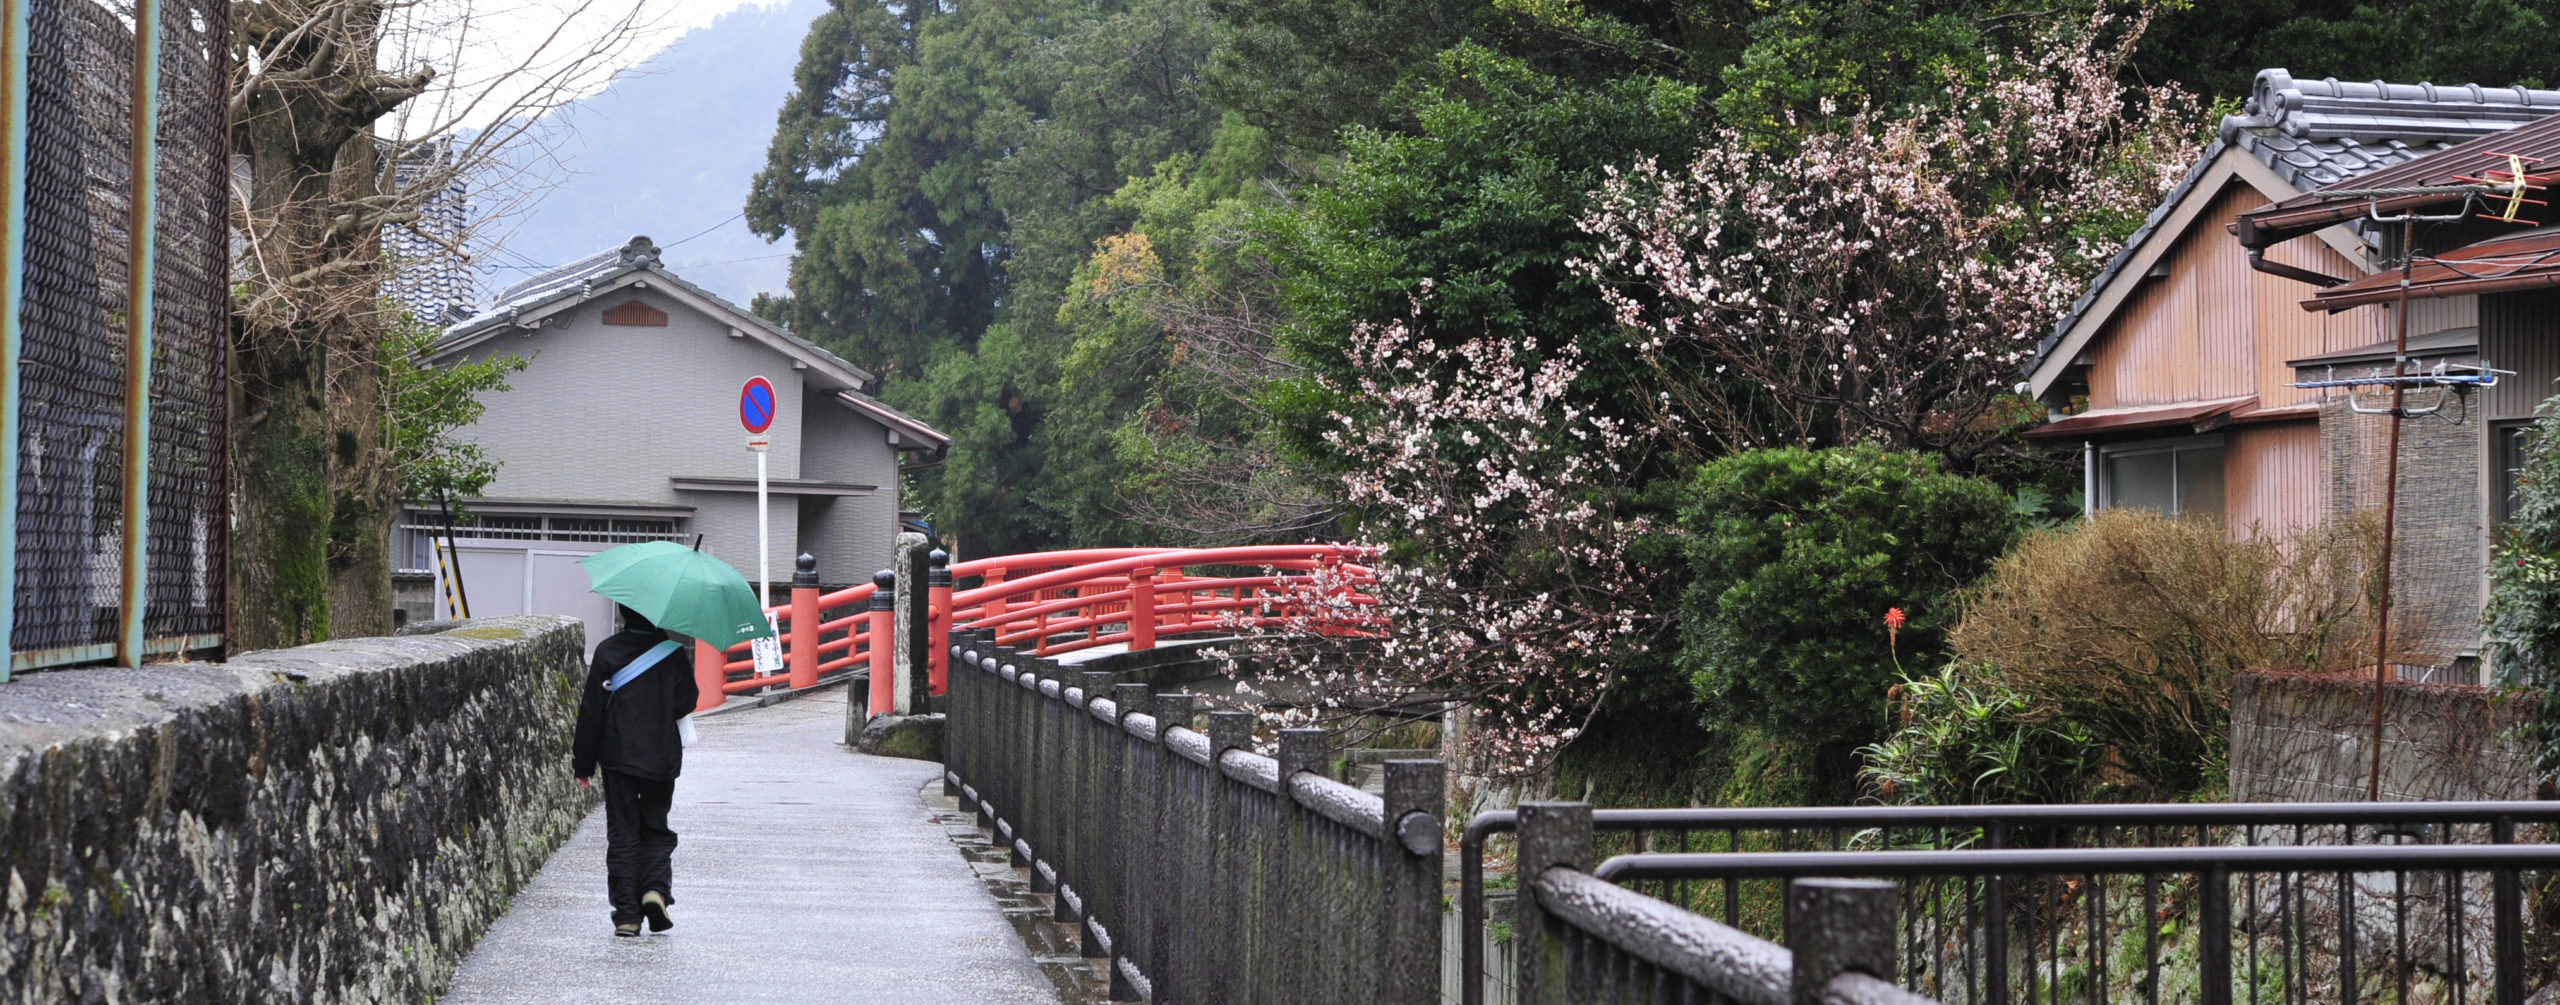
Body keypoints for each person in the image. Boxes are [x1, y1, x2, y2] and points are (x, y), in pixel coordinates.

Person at [572, 604, 701, 937]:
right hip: (661, 757)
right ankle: (654, 891)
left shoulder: (607, 652)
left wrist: (583, 764)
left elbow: (591, 712)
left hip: (618, 757)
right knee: (656, 826)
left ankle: (628, 915)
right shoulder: (673, 653)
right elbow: (686, 702)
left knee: (623, 832)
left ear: (624, 614)